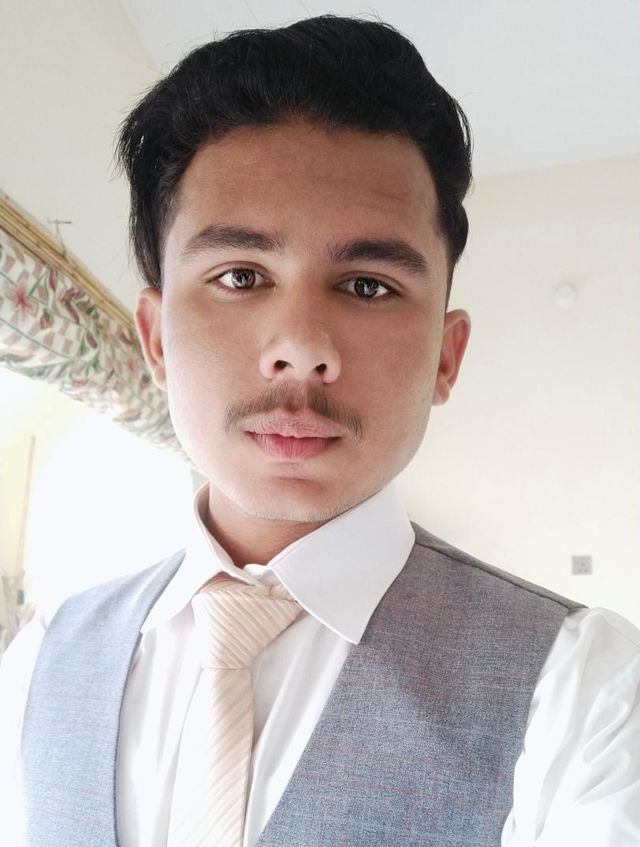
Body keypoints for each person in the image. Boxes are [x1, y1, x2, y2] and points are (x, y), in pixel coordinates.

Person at [1, 14, 639, 847]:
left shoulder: (584, 691)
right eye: (240, 275)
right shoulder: (41, 662)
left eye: (368, 285)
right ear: (155, 341)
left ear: (446, 357)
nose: (302, 347)